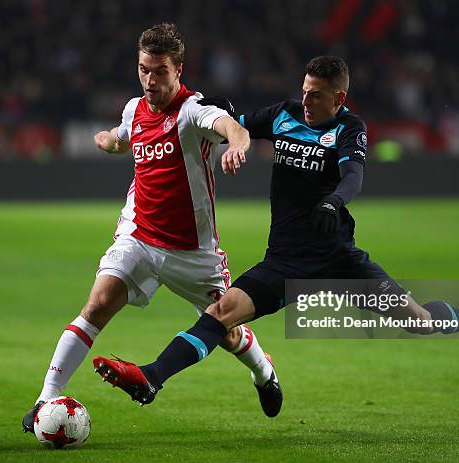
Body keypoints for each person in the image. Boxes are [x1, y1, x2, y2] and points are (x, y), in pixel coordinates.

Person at [90, 55, 459, 406]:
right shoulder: (283, 116)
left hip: (338, 261)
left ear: (340, 97)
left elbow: (353, 176)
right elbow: (236, 122)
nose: (307, 101)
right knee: (220, 314)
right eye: (305, 92)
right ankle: (151, 377)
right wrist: (216, 109)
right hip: (285, 260)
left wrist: (335, 200)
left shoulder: (350, 129)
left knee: (419, 321)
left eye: (316, 96)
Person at [22, 23, 283, 434]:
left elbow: (233, 127)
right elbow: (124, 138)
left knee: (228, 332)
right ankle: (45, 398)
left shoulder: (193, 111)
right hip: (139, 237)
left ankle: (264, 372)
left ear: (179, 69)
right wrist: (108, 139)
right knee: (96, 306)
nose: (150, 80)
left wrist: (237, 144)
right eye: (144, 69)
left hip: (192, 252)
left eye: (159, 71)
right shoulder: (134, 108)